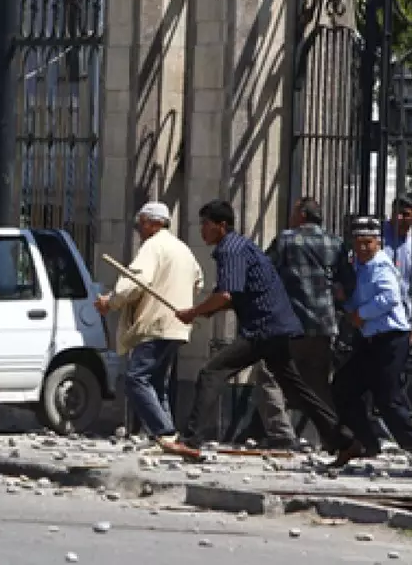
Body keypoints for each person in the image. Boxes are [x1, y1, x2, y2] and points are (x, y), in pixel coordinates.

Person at [162, 200, 354, 459]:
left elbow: (226, 295)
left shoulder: (230, 250)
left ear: (221, 225)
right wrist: (207, 311)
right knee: (295, 388)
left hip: (263, 327)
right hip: (277, 325)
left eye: (206, 224)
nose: (202, 230)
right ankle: (344, 440)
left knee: (212, 372)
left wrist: (193, 312)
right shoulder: (241, 246)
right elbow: (235, 294)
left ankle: (191, 440)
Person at [94, 202, 203, 449]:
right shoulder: (183, 249)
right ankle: (167, 438)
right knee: (156, 382)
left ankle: (164, 432)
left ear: (154, 223)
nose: (139, 229)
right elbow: (199, 281)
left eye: (141, 223)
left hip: (156, 324)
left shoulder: (153, 246)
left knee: (136, 378)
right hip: (176, 325)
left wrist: (111, 302)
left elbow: (134, 282)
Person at [251, 196, 354, 450]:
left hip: (291, 323)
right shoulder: (336, 243)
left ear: (302, 215)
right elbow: (348, 283)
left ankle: (281, 433)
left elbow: (263, 272)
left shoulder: (286, 240)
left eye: (294, 212)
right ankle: (330, 437)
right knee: (318, 382)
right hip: (324, 325)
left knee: (269, 375)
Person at [329, 216, 412, 467]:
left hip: (390, 338)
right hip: (370, 339)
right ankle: (366, 442)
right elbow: (358, 301)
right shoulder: (360, 267)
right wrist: (345, 303)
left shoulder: (381, 265)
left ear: (378, 243)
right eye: (359, 242)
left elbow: (389, 297)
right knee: (344, 388)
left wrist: (361, 315)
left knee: (387, 396)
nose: (363, 248)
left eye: (368, 242)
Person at [382, 193, 412, 302]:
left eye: (405, 214)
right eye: (396, 212)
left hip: (401, 305)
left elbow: (408, 283)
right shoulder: (377, 237)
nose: (398, 217)